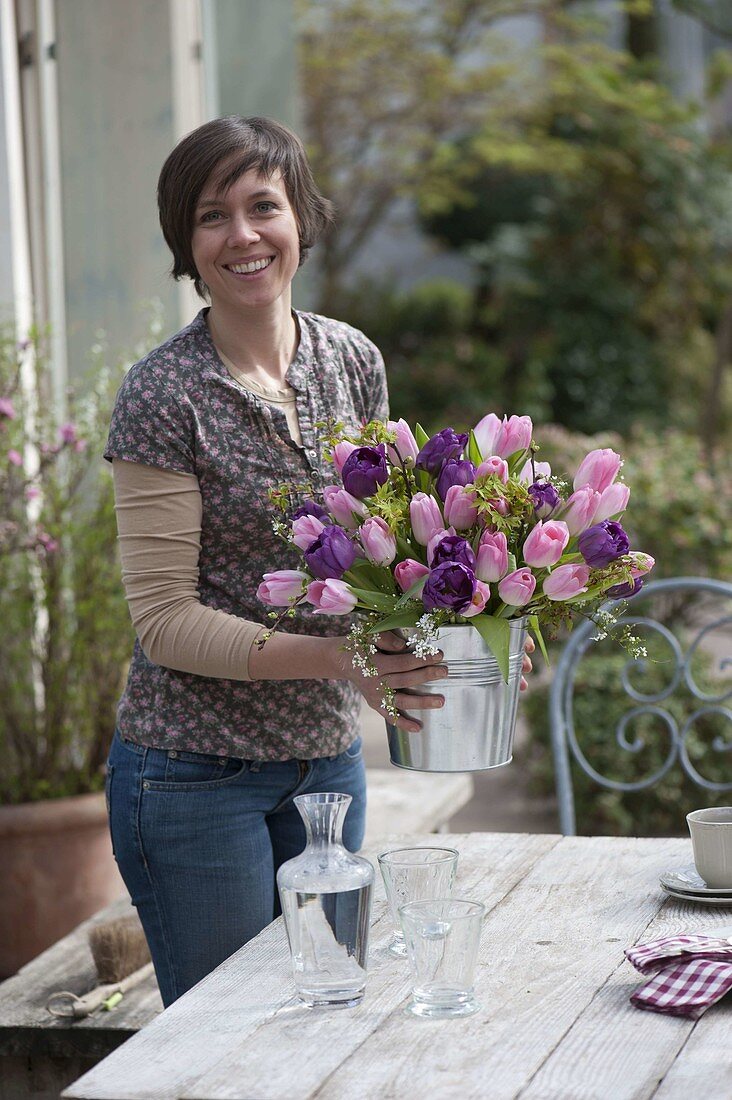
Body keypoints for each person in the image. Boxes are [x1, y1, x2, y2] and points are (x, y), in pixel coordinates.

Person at [104, 116, 533, 1007]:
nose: (243, 235)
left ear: (300, 216)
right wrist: (349, 662)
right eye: (213, 216)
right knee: (228, 1036)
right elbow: (164, 620)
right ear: (186, 243)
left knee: (330, 1010)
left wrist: (477, 633)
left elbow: (393, 553)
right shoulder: (163, 394)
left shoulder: (350, 360)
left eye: (264, 205)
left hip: (326, 764)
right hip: (191, 776)